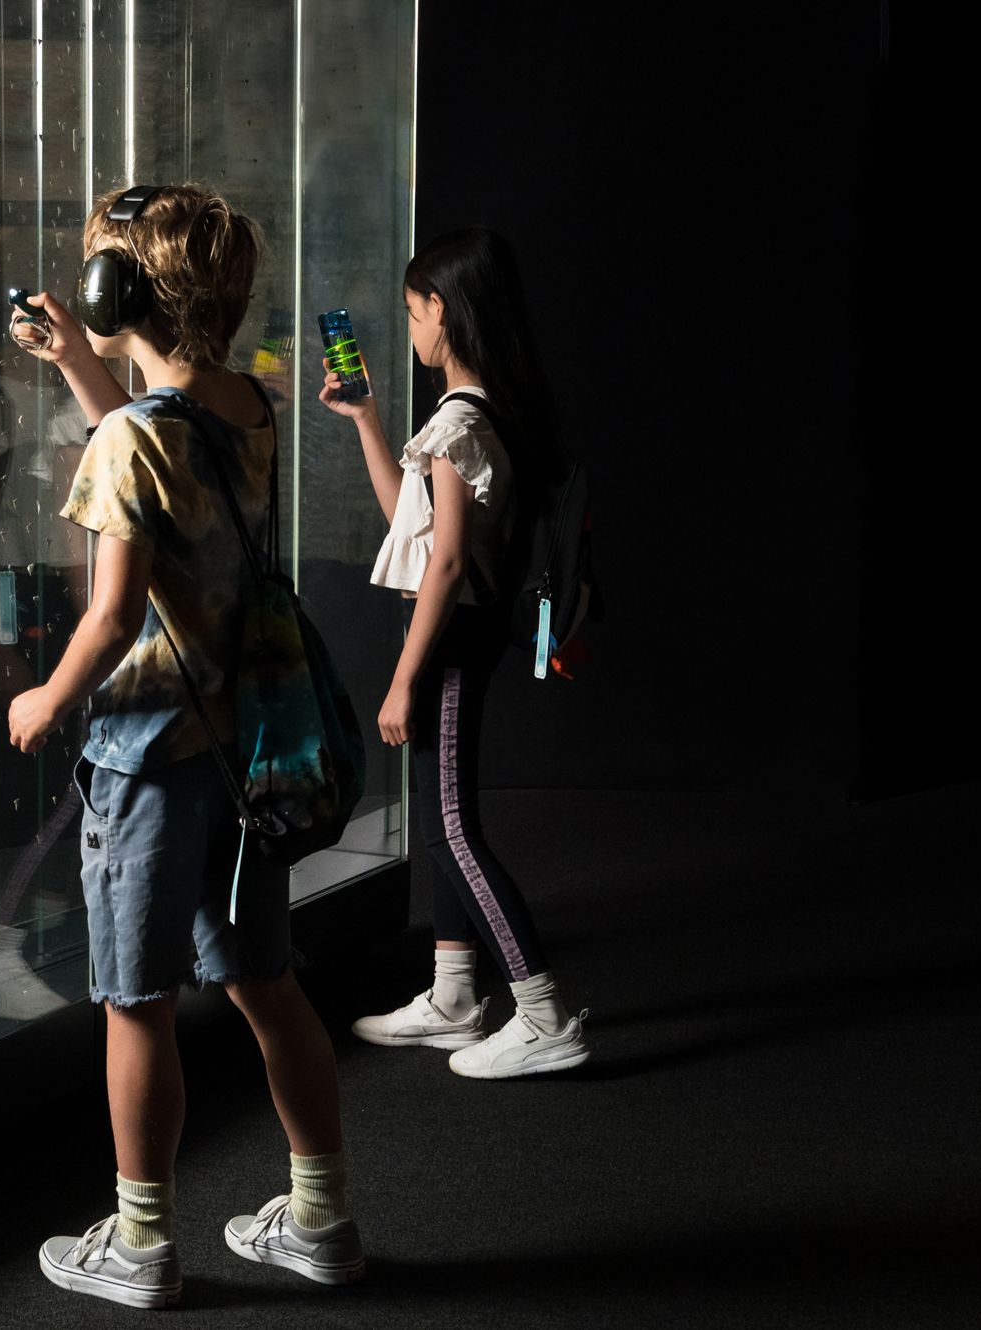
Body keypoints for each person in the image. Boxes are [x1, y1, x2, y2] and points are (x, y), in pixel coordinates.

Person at [8, 184, 365, 1309]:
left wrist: (46, 697)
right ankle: (319, 1218)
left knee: (136, 1002)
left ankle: (142, 1242)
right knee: (267, 982)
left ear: (125, 291)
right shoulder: (246, 403)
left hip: (149, 753)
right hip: (248, 746)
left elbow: (112, 614)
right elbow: (157, 430)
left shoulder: (127, 437)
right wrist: (82, 361)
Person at [325, 227, 589, 1079]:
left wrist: (404, 679)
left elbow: (441, 563)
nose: (409, 327)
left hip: (447, 636)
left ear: (442, 310)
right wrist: (367, 416)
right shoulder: (476, 417)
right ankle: (452, 997)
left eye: (411, 310)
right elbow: (412, 519)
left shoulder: (461, 421)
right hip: (456, 631)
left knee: (453, 831)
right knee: (444, 820)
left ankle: (543, 1012)